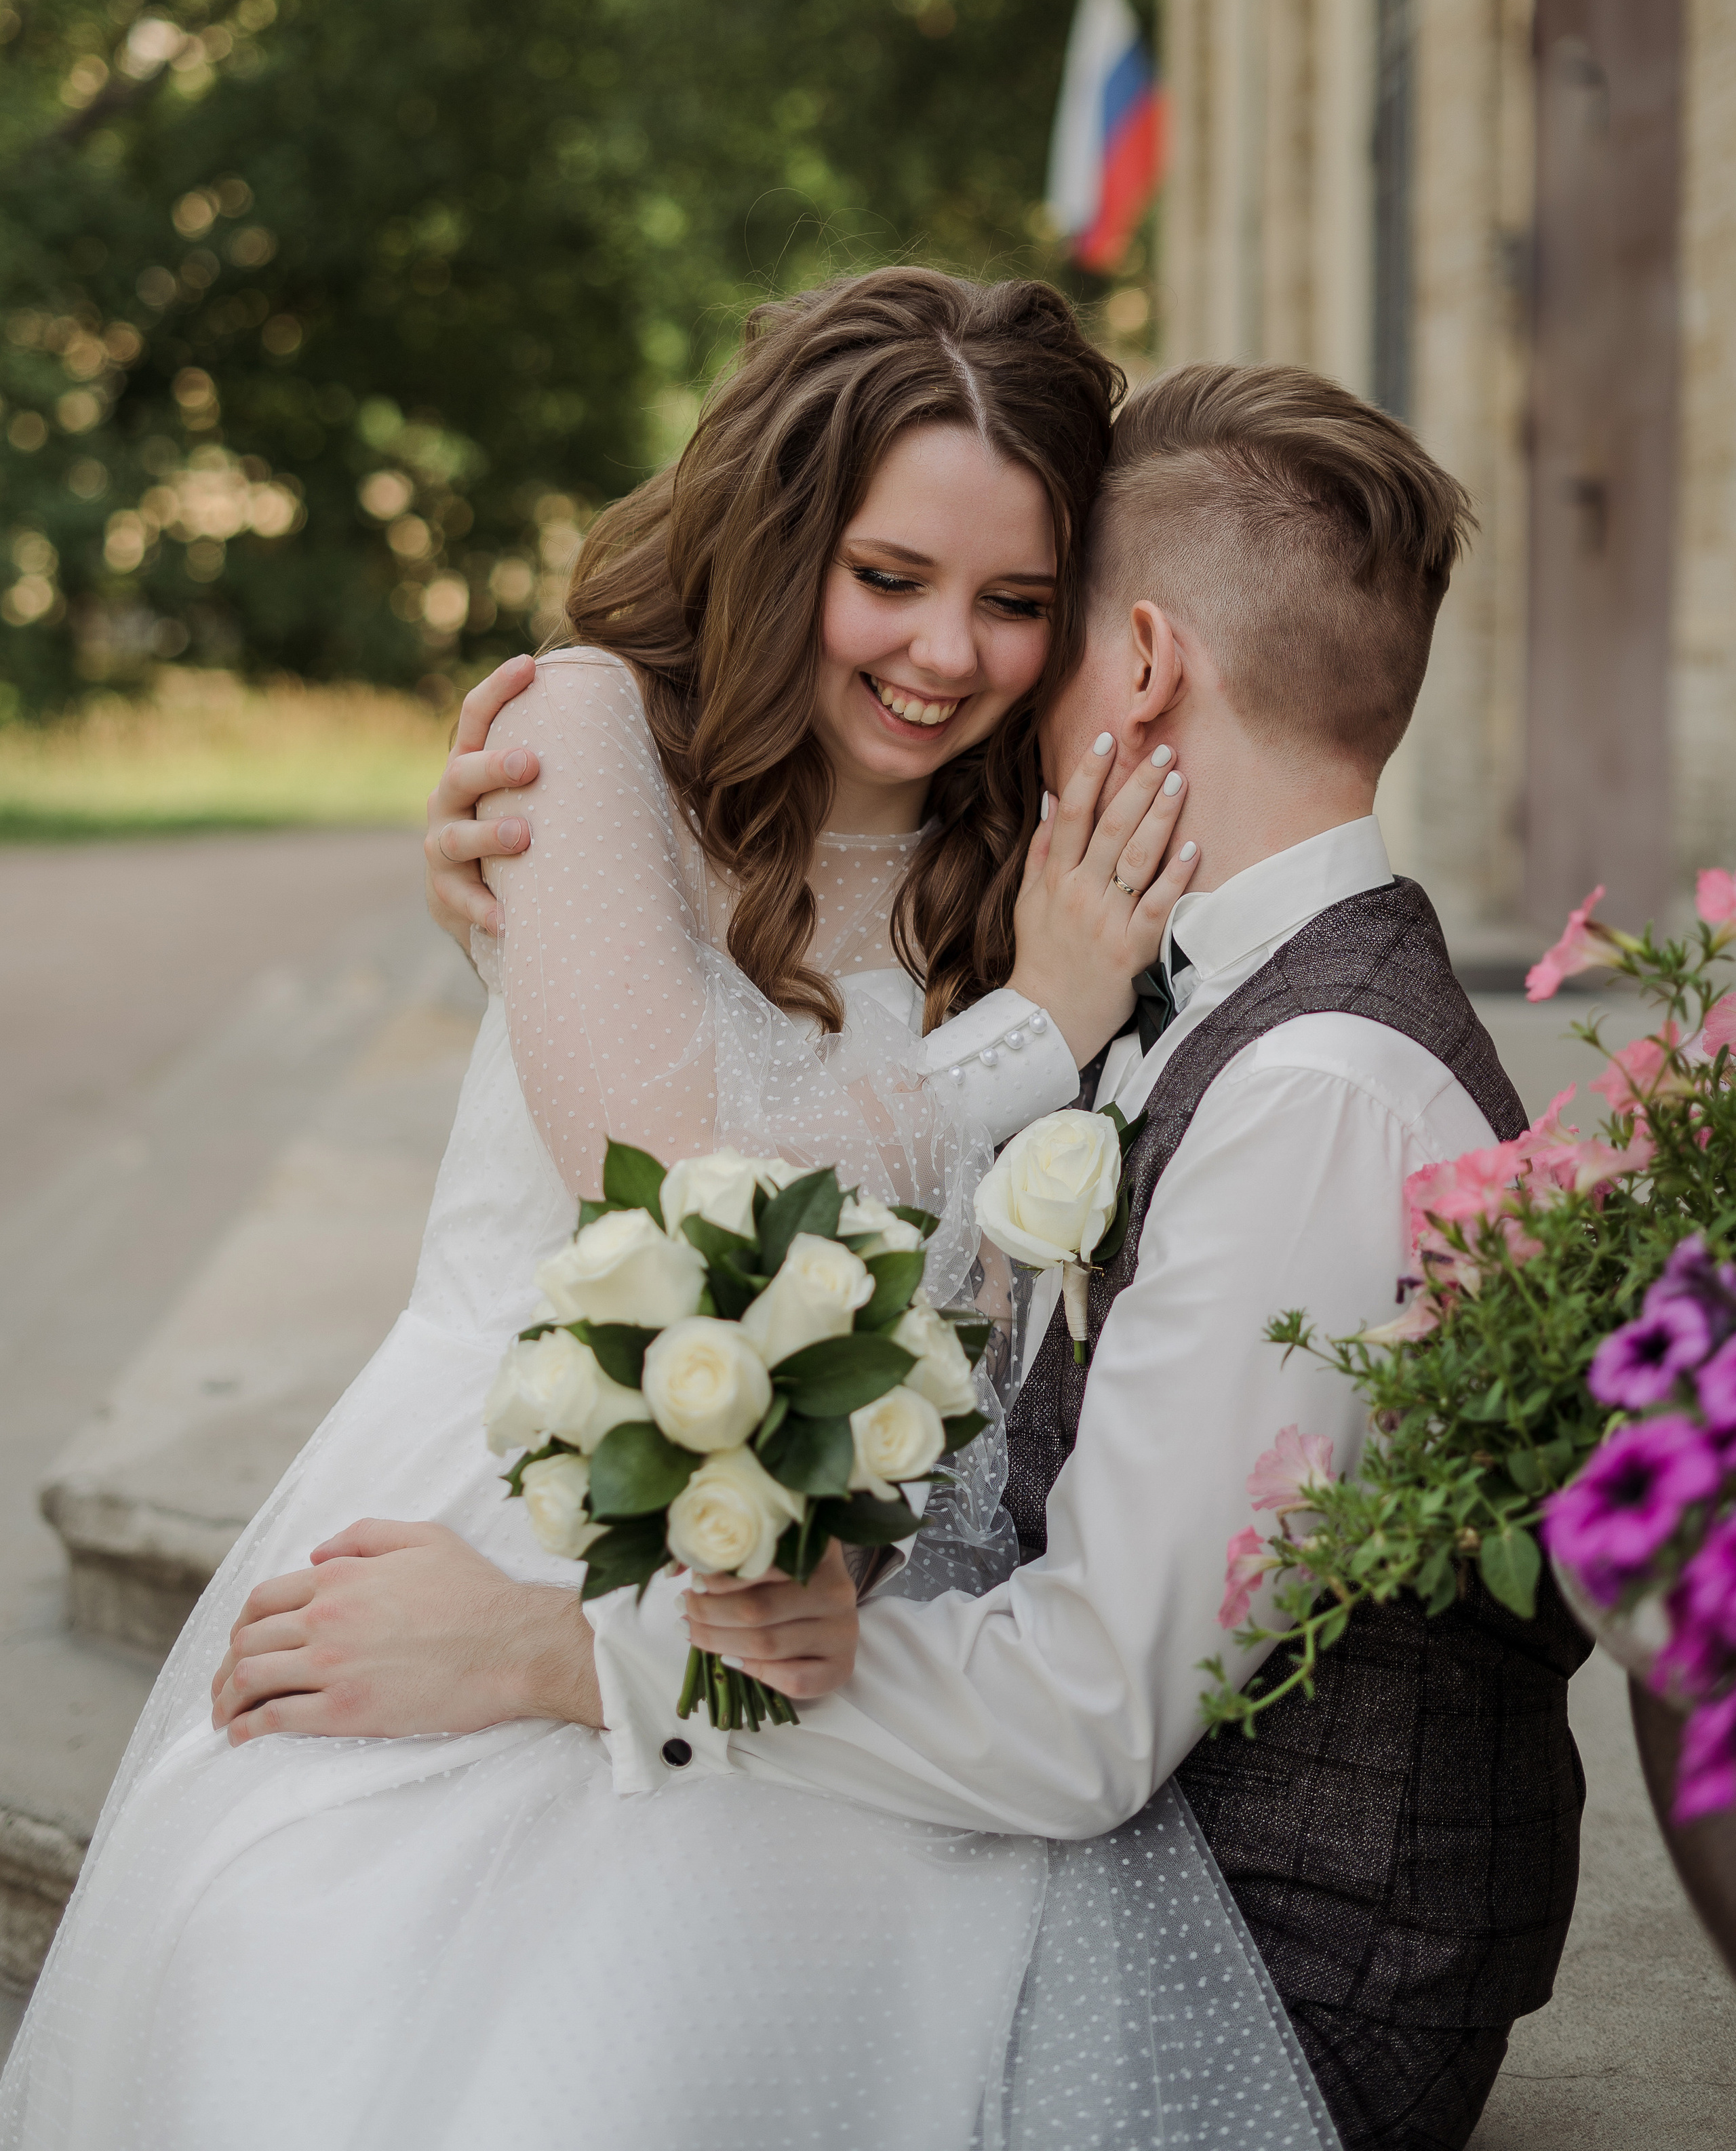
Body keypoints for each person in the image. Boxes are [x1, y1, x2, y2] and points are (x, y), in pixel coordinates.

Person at [0, 275, 1331, 2151]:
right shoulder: (591, 721)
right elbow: (673, 1160)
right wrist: (1038, 1030)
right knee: (331, 1994)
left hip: (827, 1561)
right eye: (889, 576)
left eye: (1015, 602)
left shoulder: (1027, 830)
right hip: (508, 1492)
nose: (947, 653)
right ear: (781, 538)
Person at [431, 362, 1591, 2151]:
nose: (982, 689)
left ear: (1135, 667)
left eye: (1035, 633)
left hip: (1284, 1992)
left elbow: (1074, 1722)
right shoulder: (1209, 982)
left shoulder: (1316, 1092)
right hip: (1167, 1849)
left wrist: (560, 1656)